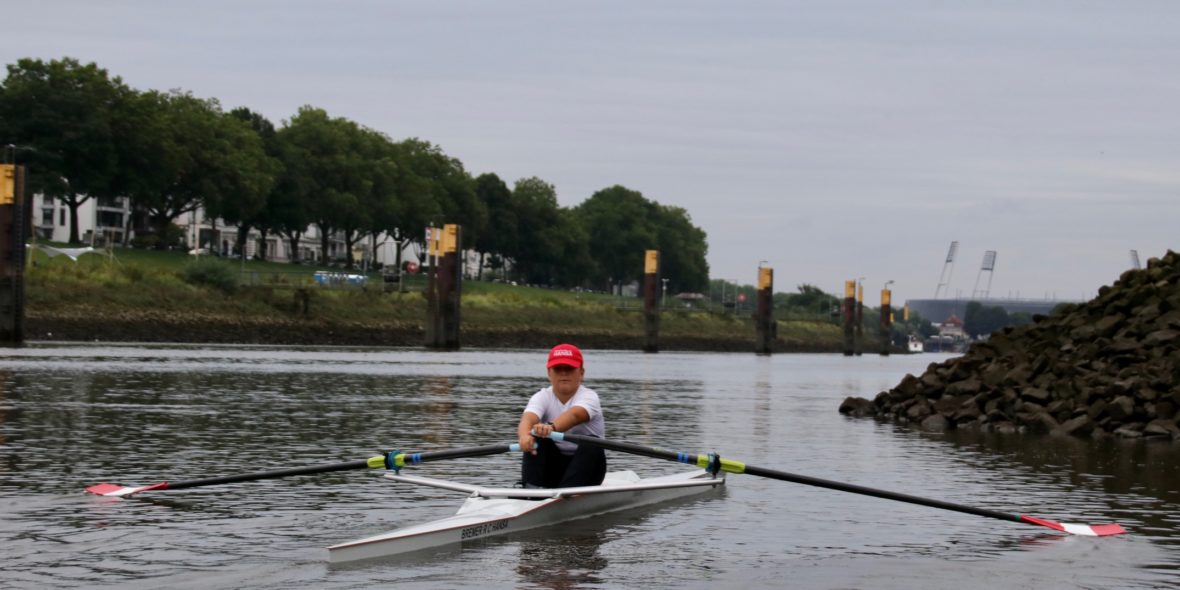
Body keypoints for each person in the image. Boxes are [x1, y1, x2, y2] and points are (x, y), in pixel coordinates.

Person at [517, 343, 607, 488]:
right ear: (549, 373)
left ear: (581, 373)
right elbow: (528, 419)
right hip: (554, 467)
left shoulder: (589, 397)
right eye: (558, 369)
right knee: (537, 438)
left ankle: (567, 493)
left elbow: (574, 416)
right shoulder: (541, 396)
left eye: (569, 369)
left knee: (591, 442)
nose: (564, 373)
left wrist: (551, 427)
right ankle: (530, 489)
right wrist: (524, 437)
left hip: (589, 470)